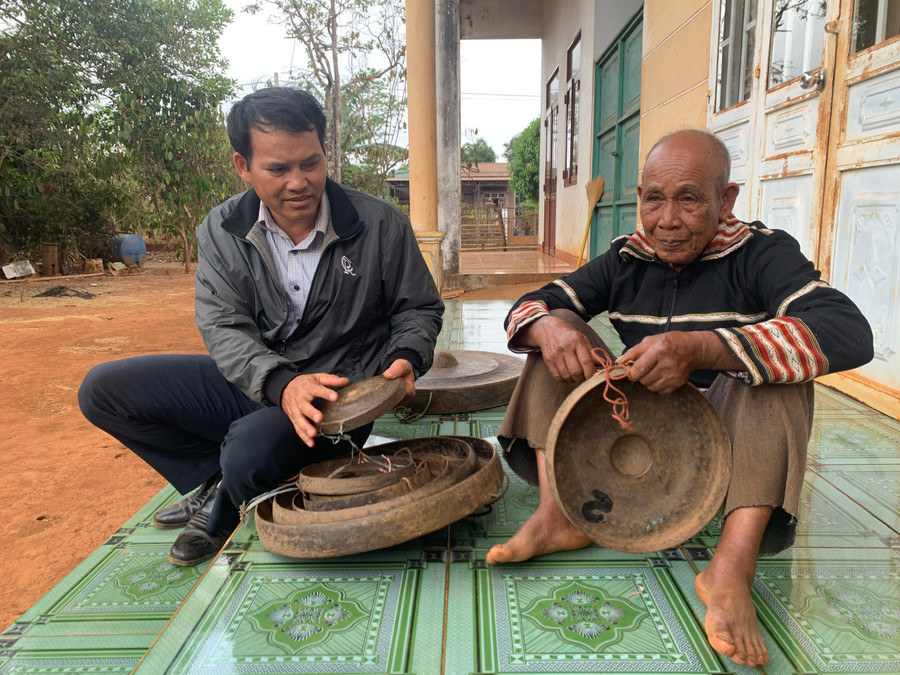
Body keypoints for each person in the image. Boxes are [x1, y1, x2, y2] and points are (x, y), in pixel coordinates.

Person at [485, 129, 873, 667]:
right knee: (559, 327)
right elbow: (532, 304)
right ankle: (560, 515)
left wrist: (706, 348)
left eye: (689, 199)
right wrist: (549, 327)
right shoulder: (626, 258)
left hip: (728, 459)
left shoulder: (762, 253)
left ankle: (728, 573)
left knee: (778, 374)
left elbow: (848, 331)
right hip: (631, 441)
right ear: (640, 197)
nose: (667, 220)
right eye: (654, 199)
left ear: (725, 200)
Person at [78, 87, 443, 567]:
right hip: (260, 380)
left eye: (311, 163)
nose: (299, 182)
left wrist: (408, 355)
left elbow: (418, 308)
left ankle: (226, 503)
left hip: (339, 400)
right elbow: (222, 325)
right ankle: (215, 478)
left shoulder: (379, 225)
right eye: (277, 169)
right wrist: (280, 383)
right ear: (242, 166)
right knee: (103, 391)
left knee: (249, 453)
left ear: (324, 154)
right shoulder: (221, 228)